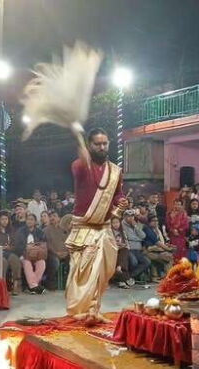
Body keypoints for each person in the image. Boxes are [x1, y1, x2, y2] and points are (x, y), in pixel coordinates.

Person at [64, 128, 129, 323]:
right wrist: (83, 157)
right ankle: (79, 311)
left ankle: (94, 309)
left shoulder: (115, 171)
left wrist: (122, 200)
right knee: (83, 272)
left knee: (103, 271)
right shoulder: (80, 166)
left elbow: (117, 193)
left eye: (105, 143)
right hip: (83, 228)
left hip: (104, 228)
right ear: (90, 145)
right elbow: (78, 168)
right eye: (97, 144)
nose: (102, 147)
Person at [0, 211, 23, 295]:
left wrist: (10, 247)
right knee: (3, 262)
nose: (4, 221)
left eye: (6, 219)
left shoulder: (11, 230)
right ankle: (1, 286)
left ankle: (16, 285)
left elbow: (15, 244)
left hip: (8, 252)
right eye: (2, 219)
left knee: (15, 259)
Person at [13, 214, 46, 294]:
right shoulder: (20, 231)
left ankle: (32, 286)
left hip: (36, 254)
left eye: (31, 220)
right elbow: (17, 245)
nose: (29, 221)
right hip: (23, 254)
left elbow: (42, 244)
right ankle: (34, 286)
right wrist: (27, 249)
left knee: (42, 263)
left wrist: (35, 250)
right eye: (28, 219)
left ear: (35, 222)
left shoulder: (39, 232)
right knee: (27, 263)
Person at [43, 211, 70, 290]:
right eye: (50, 216)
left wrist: (67, 252)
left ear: (59, 218)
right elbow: (46, 244)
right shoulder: (45, 230)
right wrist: (56, 253)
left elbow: (69, 242)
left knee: (74, 259)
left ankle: (67, 282)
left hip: (65, 253)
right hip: (51, 253)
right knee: (55, 262)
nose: (52, 218)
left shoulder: (64, 230)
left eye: (54, 216)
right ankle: (50, 282)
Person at [123, 210, 151, 282]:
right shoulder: (122, 225)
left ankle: (130, 276)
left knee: (147, 262)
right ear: (125, 217)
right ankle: (129, 277)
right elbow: (126, 237)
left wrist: (135, 226)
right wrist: (137, 238)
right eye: (128, 216)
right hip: (129, 248)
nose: (131, 218)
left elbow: (143, 236)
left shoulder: (135, 224)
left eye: (132, 216)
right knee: (134, 262)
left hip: (138, 249)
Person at [110, 217, 132, 289]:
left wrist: (123, 245)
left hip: (122, 250)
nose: (116, 224)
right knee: (123, 256)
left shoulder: (123, 232)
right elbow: (108, 243)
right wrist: (117, 245)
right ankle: (124, 279)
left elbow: (127, 244)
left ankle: (119, 267)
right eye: (114, 223)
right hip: (113, 250)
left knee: (124, 251)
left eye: (117, 222)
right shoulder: (109, 232)